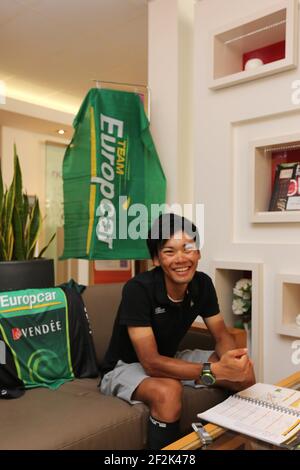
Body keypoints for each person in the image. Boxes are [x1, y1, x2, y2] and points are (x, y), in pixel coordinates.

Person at [100, 213, 255, 449]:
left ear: (198, 252)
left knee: (244, 370)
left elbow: (221, 335)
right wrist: (214, 370)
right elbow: (151, 363)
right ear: (156, 259)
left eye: (188, 248)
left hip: (171, 359)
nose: (181, 258)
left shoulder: (202, 284)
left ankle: (240, 444)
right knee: (169, 391)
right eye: (169, 251)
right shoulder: (138, 290)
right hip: (126, 367)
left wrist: (230, 363)